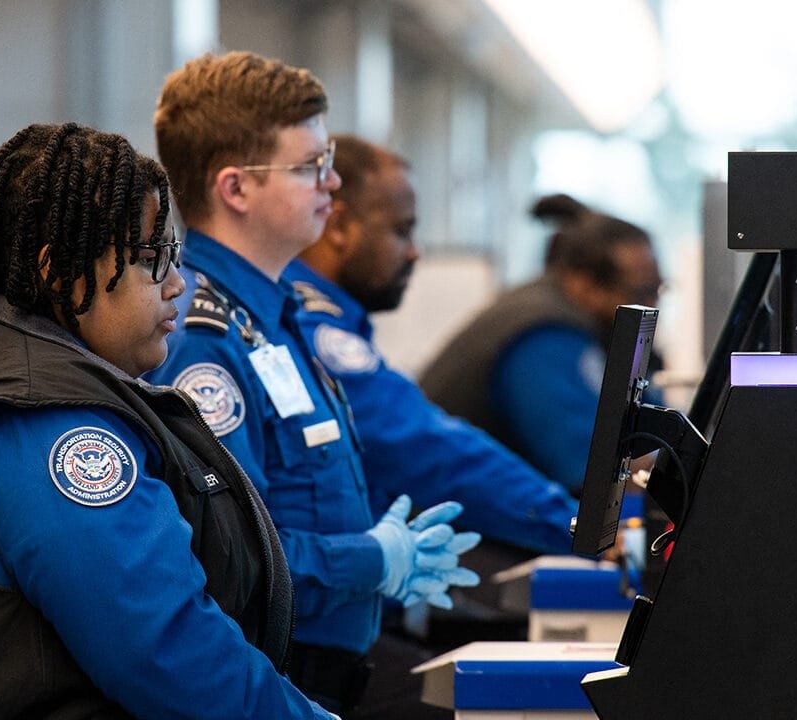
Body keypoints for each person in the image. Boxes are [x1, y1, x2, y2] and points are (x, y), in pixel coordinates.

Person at [0, 123, 337, 718]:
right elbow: (169, 655)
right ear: (60, 272)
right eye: (153, 259)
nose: (177, 285)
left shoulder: (22, 378)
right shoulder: (43, 422)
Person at [146, 52, 479, 715]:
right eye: (309, 168)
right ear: (236, 189)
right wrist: (370, 560)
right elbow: (231, 564)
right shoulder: (206, 343)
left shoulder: (280, 318)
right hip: (279, 681)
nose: (332, 186)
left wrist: (386, 559)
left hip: (332, 667)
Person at [286, 135, 586, 717]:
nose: (416, 252)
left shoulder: (321, 323)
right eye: (402, 230)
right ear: (340, 225)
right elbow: (427, 449)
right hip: (316, 635)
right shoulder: (314, 331)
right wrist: (578, 522)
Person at [419, 195, 663, 495]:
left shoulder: (587, 327)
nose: (653, 305)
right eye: (642, 292)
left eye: (659, 289)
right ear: (583, 283)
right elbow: (591, 468)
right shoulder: (544, 337)